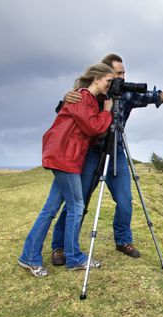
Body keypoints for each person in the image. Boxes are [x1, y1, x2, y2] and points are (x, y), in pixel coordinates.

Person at [50, 53, 163, 265]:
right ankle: (59, 246)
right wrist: (67, 98)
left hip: (116, 151)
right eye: (117, 73)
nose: (122, 77)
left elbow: (155, 96)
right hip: (91, 153)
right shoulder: (90, 94)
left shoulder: (126, 95)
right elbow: (64, 111)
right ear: (105, 75)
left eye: (124, 73)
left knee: (125, 201)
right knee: (78, 202)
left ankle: (123, 240)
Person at [18, 63, 114, 277]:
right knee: (76, 206)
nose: (110, 85)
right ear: (97, 79)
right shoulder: (81, 97)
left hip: (65, 156)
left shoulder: (84, 98)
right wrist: (107, 112)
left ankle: (29, 256)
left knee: (50, 209)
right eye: (109, 80)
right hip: (65, 157)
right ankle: (74, 257)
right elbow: (94, 127)